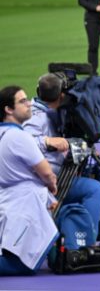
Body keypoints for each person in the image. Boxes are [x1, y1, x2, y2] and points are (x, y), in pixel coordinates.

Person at [22, 74, 100, 245]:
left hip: (53, 176)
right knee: (95, 189)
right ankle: (83, 243)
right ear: (61, 95)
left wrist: (86, 148)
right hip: (47, 181)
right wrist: (45, 141)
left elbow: (64, 143)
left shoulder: (53, 112)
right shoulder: (37, 117)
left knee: (97, 182)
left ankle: (77, 231)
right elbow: (22, 143)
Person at [0, 85, 58, 276]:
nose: (29, 104)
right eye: (22, 101)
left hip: (8, 201)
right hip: (24, 202)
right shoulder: (20, 137)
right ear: (8, 109)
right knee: (23, 264)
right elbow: (47, 173)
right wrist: (52, 185)